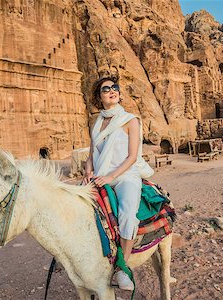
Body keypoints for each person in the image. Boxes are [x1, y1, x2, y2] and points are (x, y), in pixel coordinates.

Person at [83, 76, 142, 291]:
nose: (112, 91)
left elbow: (132, 157)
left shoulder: (130, 120)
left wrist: (110, 177)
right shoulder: (97, 123)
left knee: (127, 215)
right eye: (106, 89)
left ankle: (123, 268)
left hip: (125, 176)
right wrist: (88, 171)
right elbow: (92, 153)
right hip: (99, 175)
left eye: (114, 87)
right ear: (99, 97)